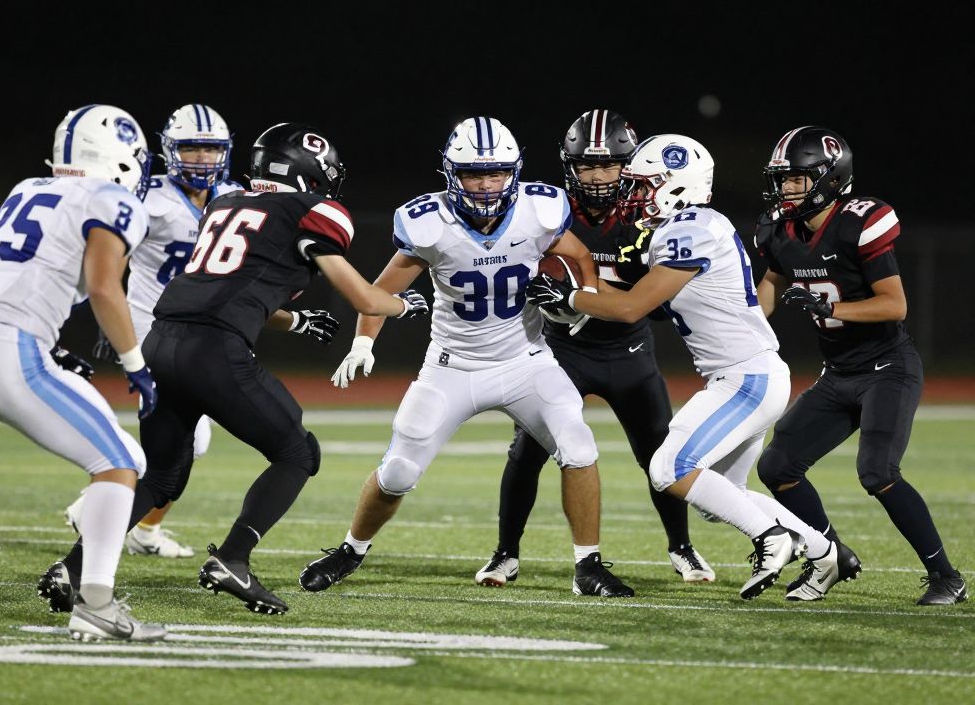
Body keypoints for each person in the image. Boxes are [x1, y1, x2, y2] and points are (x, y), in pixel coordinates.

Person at [38, 122, 428, 616]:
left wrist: (295, 321)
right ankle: (234, 558)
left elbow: (229, 286)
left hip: (161, 342)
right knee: (297, 452)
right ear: (311, 173)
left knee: (160, 477)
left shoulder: (224, 205)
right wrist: (403, 306)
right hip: (214, 351)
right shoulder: (312, 211)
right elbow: (363, 296)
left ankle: (71, 568)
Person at [299, 116, 635, 598]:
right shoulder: (429, 224)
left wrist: (578, 298)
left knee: (578, 446)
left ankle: (588, 566)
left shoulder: (538, 211)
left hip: (526, 361)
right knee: (398, 472)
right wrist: (363, 342)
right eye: (474, 173)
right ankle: (351, 549)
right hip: (452, 366)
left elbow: (579, 255)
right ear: (451, 173)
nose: (485, 184)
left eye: (496, 173)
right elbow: (382, 290)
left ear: (513, 172)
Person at [527, 133, 852, 601]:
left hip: (746, 378)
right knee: (719, 495)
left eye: (644, 185)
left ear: (675, 185)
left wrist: (570, 296)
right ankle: (825, 554)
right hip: (747, 374)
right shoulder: (690, 226)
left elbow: (631, 309)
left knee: (669, 466)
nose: (634, 196)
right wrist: (584, 295)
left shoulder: (689, 229)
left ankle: (771, 537)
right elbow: (638, 302)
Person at [0, 104, 166, 641]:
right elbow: (102, 286)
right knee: (120, 462)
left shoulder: (26, 187)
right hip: (5, 351)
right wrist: (136, 364)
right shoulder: (112, 197)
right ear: (121, 157)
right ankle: (96, 605)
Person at [475, 110, 714, 589]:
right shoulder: (549, 210)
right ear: (570, 167)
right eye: (587, 166)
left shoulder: (650, 210)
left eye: (610, 166)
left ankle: (682, 547)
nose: (600, 177)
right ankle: (505, 553)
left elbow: (657, 297)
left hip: (628, 351)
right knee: (527, 452)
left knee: (659, 454)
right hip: (563, 350)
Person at [754, 126, 967, 605]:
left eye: (797, 179)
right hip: (837, 375)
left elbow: (894, 305)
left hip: (887, 367)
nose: (786, 189)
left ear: (830, 179)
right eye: (783, 179)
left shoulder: (858, 222)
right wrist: (742, 323)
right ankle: (833, 552)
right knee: (778, 465)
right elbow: (769, 283)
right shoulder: (781, 231)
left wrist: (831, 309)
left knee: (877, 471)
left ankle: (946, 577)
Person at [66, 104, 242, 559]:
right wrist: (113, 318)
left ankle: (142, 529)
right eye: (191, 148)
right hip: (151, 325)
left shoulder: (234, 196)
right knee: (188, 438)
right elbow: (111, 261)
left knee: (193, 442)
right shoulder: (147, 197)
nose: (202, 158)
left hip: (202, 330)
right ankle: (102, 509)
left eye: (210, 148)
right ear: (169, 150)